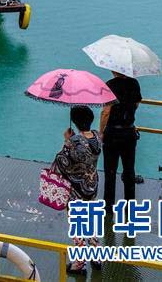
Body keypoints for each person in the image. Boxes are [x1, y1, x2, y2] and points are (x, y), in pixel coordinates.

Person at [54, 106, 102, 276]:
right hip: (92, 185)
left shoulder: (74, 141)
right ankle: (96, 256)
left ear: (75, 121)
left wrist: (67, 140)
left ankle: (79, 264)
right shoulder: (97, 136)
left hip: (76, 189)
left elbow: (62, 161)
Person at [100, 71, 142, 210]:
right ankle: (130, 204)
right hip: (129, 132)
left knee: (110, 170)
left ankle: (108, 204)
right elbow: (136, 104)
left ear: (114, 70)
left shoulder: (109, 85)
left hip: (112, 133)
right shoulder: (134, 83)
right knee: (129, 170)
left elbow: (106, 112)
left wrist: (101, 132)